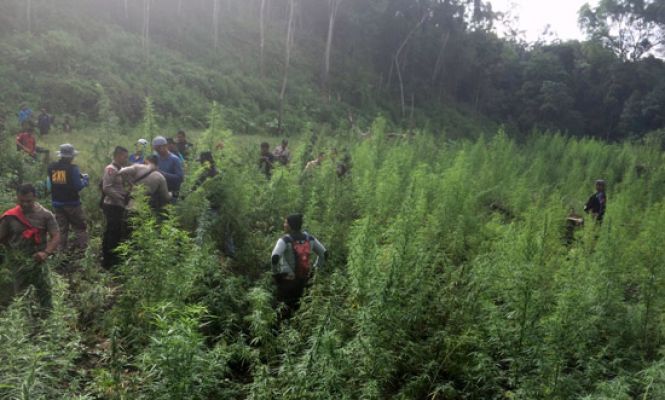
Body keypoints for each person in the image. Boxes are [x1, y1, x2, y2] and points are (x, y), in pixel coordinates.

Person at [0, 184, 60, 313]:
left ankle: (47, 321)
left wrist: (46, 252)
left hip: (39, 262)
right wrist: (11, 249)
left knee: (45, 294)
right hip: (19, 263)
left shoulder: (46, 215)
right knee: (21, 296)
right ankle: (25, 326)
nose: (25, 204)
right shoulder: (10, 217)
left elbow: (55, 236)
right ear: (17, 198)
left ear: (35, 197)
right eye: (22, 201)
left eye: (29, 201)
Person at [271, 213, 326, 318]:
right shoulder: (310, 239)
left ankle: (282, 330)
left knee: (283, 308)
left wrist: (276, 274)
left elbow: (275, 257)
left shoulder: (284, 240)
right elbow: (324, 254)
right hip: (304, 278)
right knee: (301, 307)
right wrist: (315, 270)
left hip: (288, 280)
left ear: (291, 225)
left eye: (286, 222)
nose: (284, 224)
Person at [47, 144, 89, 253]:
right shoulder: (73, 168)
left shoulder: (51, 167)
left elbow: (49, 185)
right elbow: (78, 186)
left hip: (57, 203)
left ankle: (61, 252)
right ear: (70, 156)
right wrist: (85, 181)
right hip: (72, 203)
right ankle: (83, 251)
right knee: (80, 227)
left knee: (62, 229)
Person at [101, 146, 130, 269]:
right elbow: (106, 188)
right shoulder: (110, 169)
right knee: (113, 232)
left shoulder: (121, 169)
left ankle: (110, 257)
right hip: (112, 205)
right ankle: (109, 260)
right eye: (124, 156)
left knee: (115, 231)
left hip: (119, 205)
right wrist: (120, 198)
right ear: (118, 156)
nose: (126, 159)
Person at [153, 136, 184, 201]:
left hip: (171, 192)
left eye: (159, 148)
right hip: (158, 192)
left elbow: (180, 178)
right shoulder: (155, 158)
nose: (157, 151)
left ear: (165, 146)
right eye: (156, 149)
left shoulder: (174, 159)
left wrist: (162, 174)